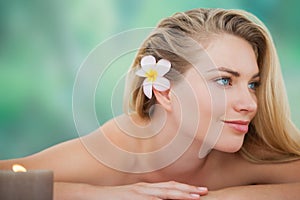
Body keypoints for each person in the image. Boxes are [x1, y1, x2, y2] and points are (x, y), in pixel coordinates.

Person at [1, 8, 300, 200]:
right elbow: (8, 179)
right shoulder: (120, 147)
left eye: (253, 84)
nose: (249, 103)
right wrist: (98, 194)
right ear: (166, 93)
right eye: (224, 81)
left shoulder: (250, 152)